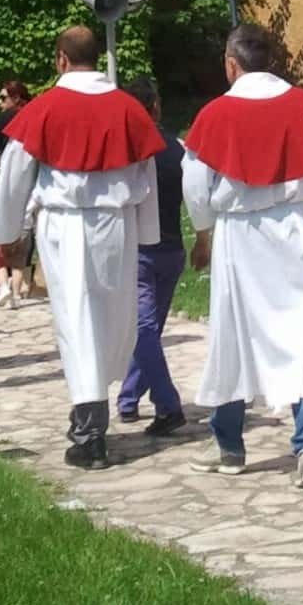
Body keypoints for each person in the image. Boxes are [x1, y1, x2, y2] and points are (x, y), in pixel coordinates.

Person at [0, 27, 164, 468]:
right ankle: (91, 413)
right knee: (110, 319)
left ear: (61, 59)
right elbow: (146, 176)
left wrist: (7, 231)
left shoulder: (43, 109)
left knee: (77, 322)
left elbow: (16, 171)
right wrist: (147, 230)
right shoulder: (127, 108)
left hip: (66, 226)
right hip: (116, 226)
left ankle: (90, 432)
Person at [183, 23, 303, 491]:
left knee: (234, 334)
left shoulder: (215, 112)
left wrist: (204, 232)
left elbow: (195, 181)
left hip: (241, 231)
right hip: (295, 226)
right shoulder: (302, 103)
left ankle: (229, 443)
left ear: (232, 64)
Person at [116, 76, 187, 436]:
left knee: (142, 330)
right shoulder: (177, 146)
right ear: (156, 106)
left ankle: (167, 405)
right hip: (173, 248)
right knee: (149, 330)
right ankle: (129, 397)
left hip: (140, 249)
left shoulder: (129, 150)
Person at [0, 78, 34, 308]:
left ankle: (4, 286)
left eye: (3, 97)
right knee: (21, 245)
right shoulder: (36, 115)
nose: (0, 103)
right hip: (32, 191)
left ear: (16, 97)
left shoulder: (5, 119)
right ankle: (15, 294)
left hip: (5, 185)